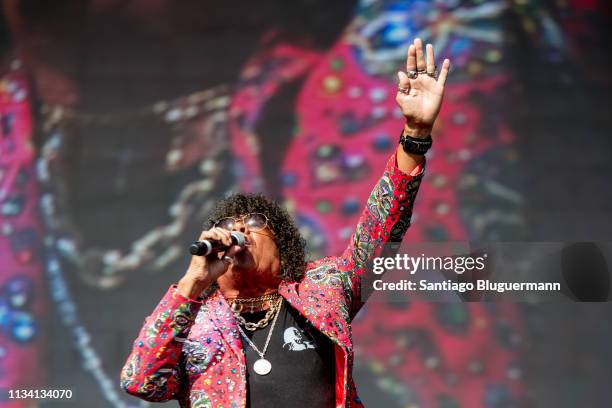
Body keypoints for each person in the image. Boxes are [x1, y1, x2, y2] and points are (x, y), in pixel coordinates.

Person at [120, 38, 450, 407]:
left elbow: (382, 225)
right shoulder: (195, 320)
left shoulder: (323, 289)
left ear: (283, 247)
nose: (239, 230)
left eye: (255, 222)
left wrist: (415, 136)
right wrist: (192, 284)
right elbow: (142, 382)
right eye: (229, 223)